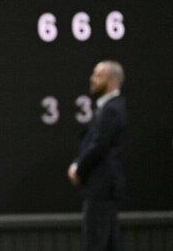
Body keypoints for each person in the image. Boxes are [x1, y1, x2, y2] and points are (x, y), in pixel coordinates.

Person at [68, 60, 127, 251]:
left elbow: (98, 146)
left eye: (98, 76)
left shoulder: (111, 109)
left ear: (112, 81)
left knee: (96, 243)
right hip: (103, 187)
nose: (92, 79)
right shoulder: (110, 108)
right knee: (107, 243)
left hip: (101, 187)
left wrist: (79, 169)